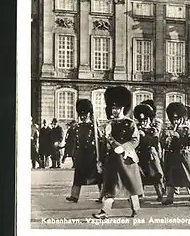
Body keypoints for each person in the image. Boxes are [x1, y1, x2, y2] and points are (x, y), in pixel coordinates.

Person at [93, 86, 143, 219]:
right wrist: (100, 160)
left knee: (131, 187)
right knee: (110, 188)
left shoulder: (130, 123)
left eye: (117, 108)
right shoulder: (109, 125)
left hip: (126, 160)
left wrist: (124, 147)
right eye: (113, 108)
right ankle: (105, 212)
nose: (114, 111)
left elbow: (135, 140)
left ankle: (135, 209)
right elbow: (104, 144)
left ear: (123, 108)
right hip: (113, 161)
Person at [65, 99, 104, 203]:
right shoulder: (77, 127)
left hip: (92, 155)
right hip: (81, 155)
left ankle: (102, 195)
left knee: (99, 177)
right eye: (81, 114)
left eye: (85, 114)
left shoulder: (94, 127)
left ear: (89, 114)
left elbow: (100, 140)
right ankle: (74, 196)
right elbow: (73, 141)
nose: (83, 116)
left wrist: (100, 155)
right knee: (78, 176)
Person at [162, 102, 190, 205]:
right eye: (174, 119)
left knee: (187, 176)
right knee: (170, 176)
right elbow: (163, 143)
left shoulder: (188, 129)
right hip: (171, 156)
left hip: (183, 155)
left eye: (177, 119)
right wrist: (166, 139)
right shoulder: (168, 128)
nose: (175, 121)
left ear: (182, 118)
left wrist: (178, 137)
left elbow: (189, 142)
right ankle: (169, 197)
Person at [134, 104, 165, 202]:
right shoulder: (137, 130)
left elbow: (154, 142)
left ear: (149, 120)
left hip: (150, 156)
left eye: (144, 120)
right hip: (140, 155)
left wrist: (143, 136)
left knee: (156, 175)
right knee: (140, 175)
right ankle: (139, 193)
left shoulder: (153, 130)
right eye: (141, 121)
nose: (143, 123)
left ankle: (160, 193)